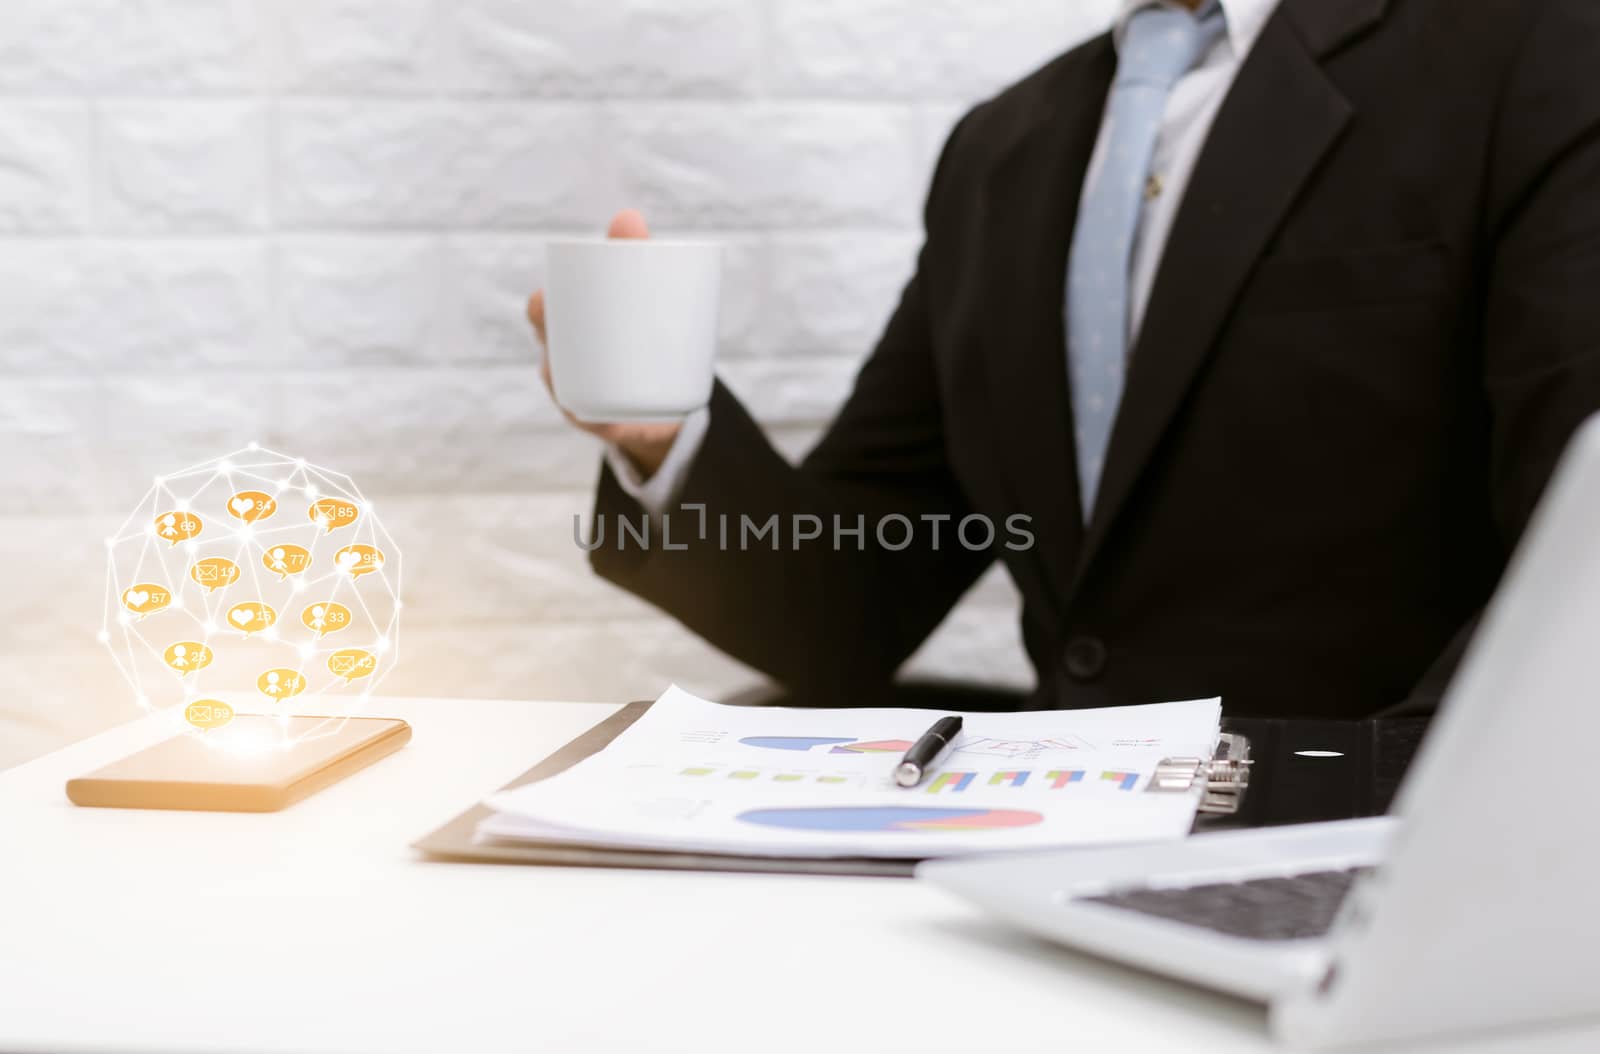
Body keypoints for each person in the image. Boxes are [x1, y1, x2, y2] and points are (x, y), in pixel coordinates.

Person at [527, 0, 1600, 717]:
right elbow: (845, 603)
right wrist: (664, 440)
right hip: (1045, 864)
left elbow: (1578, 565)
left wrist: (1391, 836)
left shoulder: (1538, 51)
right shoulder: (1001, 148)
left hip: (1369, 853)